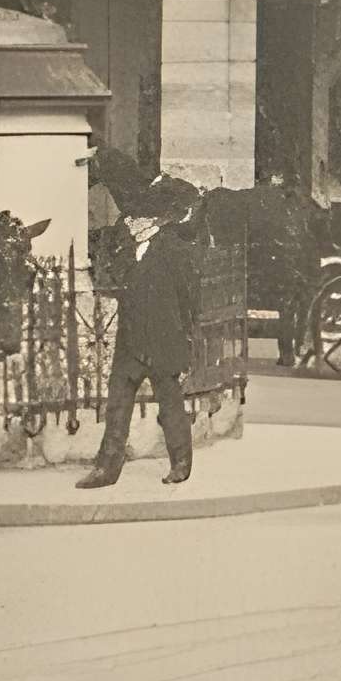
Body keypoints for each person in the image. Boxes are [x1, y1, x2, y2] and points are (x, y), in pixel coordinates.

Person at [77, 206, 203, 490]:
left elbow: (189, 298)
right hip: (130, 342)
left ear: (153, 221)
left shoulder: (172, 251)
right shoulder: (128, 252)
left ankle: (181, 464)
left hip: (163, 342)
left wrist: (186, 338)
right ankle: (107, 469)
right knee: (117, 407)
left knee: (171, 406)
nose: (130, 224)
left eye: (136, 219)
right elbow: (109, 283)